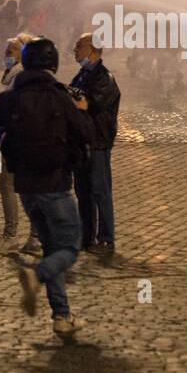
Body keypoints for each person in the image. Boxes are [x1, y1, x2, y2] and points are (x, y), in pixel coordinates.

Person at [0, 37, 94, 336]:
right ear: (53, 64)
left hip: (25, 187)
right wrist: (82, 110)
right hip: (56, 185)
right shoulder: (60, 96)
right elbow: (86, 133)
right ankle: (36, 277)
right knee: (70, 246)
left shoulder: (9, 98)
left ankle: (62, 316)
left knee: (51, 247)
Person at [70, 32, 121, 254]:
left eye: (79, 46)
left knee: (100, 191)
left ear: (92, 50)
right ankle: (87, 237)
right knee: (83, 191)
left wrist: (75, 100)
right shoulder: (82, 75)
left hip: (98, 143)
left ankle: (106, 239)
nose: (75, 50)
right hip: (82, 142)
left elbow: (88, 104)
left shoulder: (104, 78)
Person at [0, 34, 41, 254]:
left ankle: (11, 236)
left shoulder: (19, 76)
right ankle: (35, 238)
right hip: (27, 140)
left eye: (10, 51)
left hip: (19, 140)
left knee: (8, 185)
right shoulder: (21, 74)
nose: (6, 55)